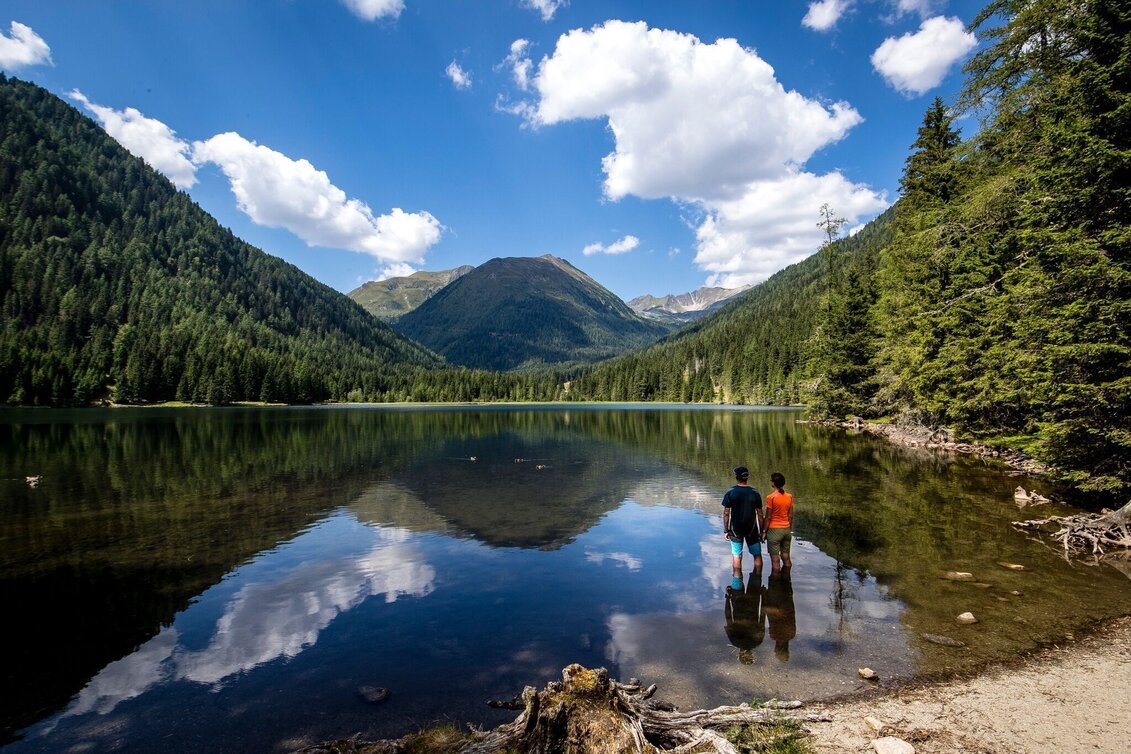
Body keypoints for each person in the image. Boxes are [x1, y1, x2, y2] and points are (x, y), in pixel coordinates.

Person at [722, 466, 763, 574]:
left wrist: (726, 530)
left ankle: (737, 585)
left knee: (737, 556)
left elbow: (726, 513)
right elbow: (760, 514)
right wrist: (762, 531)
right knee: (757, 555)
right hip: (752, 529)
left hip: (735, 530)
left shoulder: (730, 492)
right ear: (746, 478)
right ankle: (757, 580)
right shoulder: (755, 492)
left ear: (737, 477)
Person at [724, 569, 765, 665]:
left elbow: (762, 615)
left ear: (751, 654)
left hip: (753, 601)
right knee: (737, 571)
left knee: (757, 570)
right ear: (739, 654)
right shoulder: (735, 641)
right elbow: (728, 617)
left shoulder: (758, 641)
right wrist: (727, 598)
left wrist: (763, 597)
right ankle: (737, 557)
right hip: (738, 601)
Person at [762, 471, 794, 573]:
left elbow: (768, 517)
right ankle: (787, 580)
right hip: (786, 530)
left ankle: (775, 585)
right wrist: (789, 528)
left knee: (775, 561)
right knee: (786, 557)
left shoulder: (771, 497)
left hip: (774, 531)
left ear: (773, 483)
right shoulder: (789, 496)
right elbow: (790, 515)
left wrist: (763, 532)